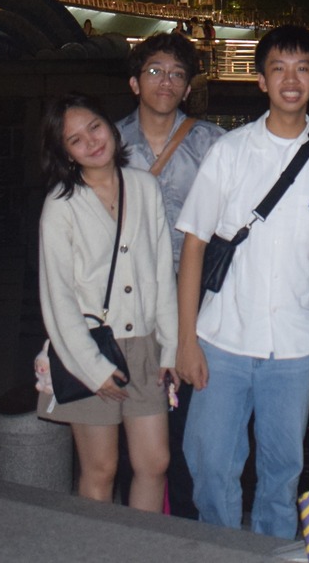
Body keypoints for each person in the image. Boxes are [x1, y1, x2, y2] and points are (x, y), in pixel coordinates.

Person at [174, 25, 309, 538]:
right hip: (223, 337)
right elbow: (194, 246)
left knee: (282, 472)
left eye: (302, 70)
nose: (290, 80)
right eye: (278, 69)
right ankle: (222, 548)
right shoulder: (230, 150)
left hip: (294, 343)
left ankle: (272, 551)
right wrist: (186, 342)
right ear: (261, 80)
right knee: (210, 464)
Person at [35, 97, 178, 512]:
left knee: (154, 462)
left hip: (144, 344)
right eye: (75, 140)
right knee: (100, 469)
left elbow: (160, 275)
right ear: (65, 153)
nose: (91, 143)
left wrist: (169, 348)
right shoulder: (60, 207)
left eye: (95, 127)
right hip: (91, 349)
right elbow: (57, 297)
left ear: (111, 127)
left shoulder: (144, 186)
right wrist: (90, 368)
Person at [115, 31, 225, 517]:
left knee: (188, 427)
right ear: (135, 82)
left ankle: (183, 526)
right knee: (127, 424)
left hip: (192, 301)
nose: (166, 81)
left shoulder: (212, 143)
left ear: (187, 88)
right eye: (156, 71)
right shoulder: (109, 142)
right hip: (126, 303)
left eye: (177, 74)